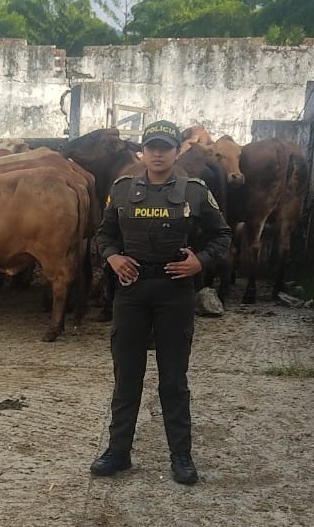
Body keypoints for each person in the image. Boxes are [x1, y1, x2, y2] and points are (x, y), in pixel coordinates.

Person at [91, 120, 231, 484]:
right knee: (127, 378)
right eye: (151, 147)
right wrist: (112, 257)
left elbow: (222, 234)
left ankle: (181, 455)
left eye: (164, 147)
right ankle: (118, 451)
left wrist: (201, 261)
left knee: (173, 379)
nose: (157, 153)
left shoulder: (195, 191)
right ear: (143, 151)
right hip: (132, 291)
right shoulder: (122, 190)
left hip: (175, 291)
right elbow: (104, 233)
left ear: (175, 151)